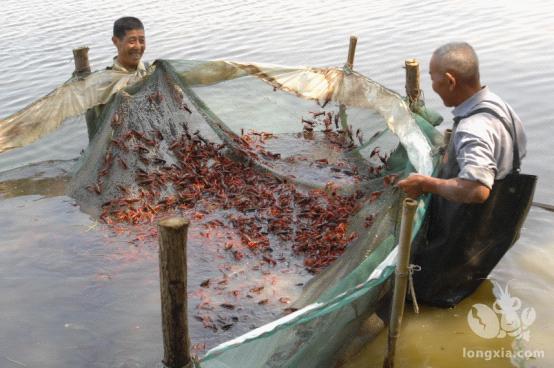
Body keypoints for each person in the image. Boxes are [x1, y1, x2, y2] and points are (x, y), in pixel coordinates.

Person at [397, 42, 533, 307]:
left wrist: (426, 183)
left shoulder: (473, 127)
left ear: (449, 80)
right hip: (497, 224)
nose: (432, 86)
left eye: (432, 78)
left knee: (427, 295)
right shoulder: (499, 106)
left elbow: (477, 190)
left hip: (468, 227)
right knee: (464, 278)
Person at [86, 16, 147, 139]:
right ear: (115, 41)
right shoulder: (103, 84)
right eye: (131, 41)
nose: (138, 46)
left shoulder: (152, 72)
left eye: (141, 40)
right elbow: (96, 127)